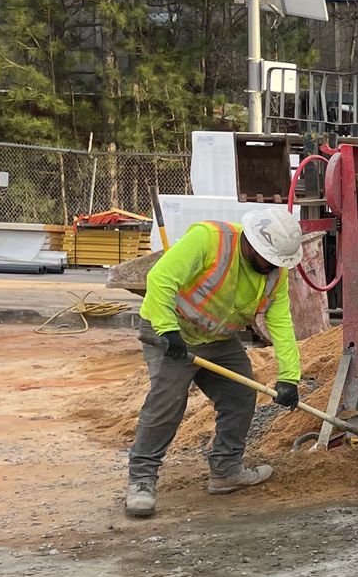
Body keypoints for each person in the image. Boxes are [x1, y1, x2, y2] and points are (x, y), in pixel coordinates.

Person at [125, 206, 306, 518]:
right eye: (269, 259)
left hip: (218, 338)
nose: (273, 266)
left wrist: (290, 376)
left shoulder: (276, 271)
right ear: (252, 242)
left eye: (278, 262)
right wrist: (168, 331)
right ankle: (141, 480)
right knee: (168, 400)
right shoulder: (210, 240)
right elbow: (160, 279)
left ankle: (225, 470)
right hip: (170, 329)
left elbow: (281, 322)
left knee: (240, 395)